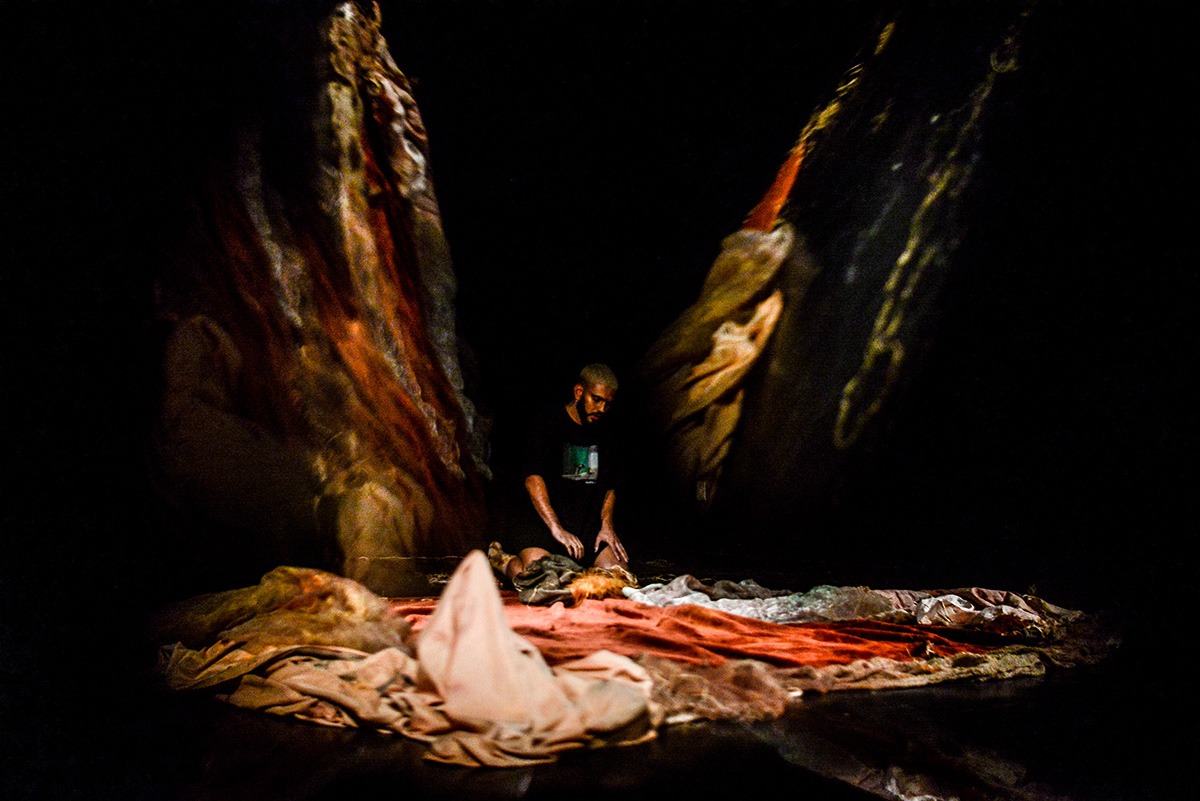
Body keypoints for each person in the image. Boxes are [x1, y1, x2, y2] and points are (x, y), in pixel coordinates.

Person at [490, 364, 629, 583]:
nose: (602, 409)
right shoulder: (548, 423)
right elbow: (533, 479)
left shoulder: (607, 433)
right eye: (596, 399)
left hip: (585, 527)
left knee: (620, 578)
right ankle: (502, 561)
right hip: (543, 524)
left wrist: (606, 526)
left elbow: (610, 486)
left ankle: (576, 570)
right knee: (541, 579)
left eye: (607, 404)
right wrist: (556, 528)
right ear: (579, 392)